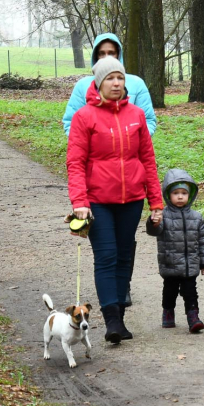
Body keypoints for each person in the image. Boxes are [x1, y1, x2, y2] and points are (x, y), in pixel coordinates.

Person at [66, 57, 163, 344]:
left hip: (132, 199)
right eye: (110, 78)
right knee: (106, 257)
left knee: (125, 256)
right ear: (98, 82)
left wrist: (155, 201)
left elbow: (147, 158)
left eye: (120, 78)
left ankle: (119, 313)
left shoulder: (136, 115)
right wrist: (79, 201)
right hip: (97, 201)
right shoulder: (85, 117)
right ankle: (112, 320)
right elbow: (75, 162)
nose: (116, 83)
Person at [147, 169, 204, 333]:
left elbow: (203, 241)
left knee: (191, 292)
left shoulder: (196, 217)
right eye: (176, 193)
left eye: (184, 193)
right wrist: (153, 222)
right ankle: (168, 312)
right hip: (170, 264)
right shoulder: (164, 215)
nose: (180, 196)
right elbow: (154, 231)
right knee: (170, 292)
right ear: (168, 195)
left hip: (190, 266)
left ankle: (193, 317)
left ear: (190, 195)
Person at [63, 33, 157, 137]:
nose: (106, 57)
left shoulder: (136, 83)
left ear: (118, 54)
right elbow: (72, 122)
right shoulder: (83, 85)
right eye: (102, 53)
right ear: (96, 56)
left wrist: (133, 142)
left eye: (111, 53)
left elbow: (148, 120)